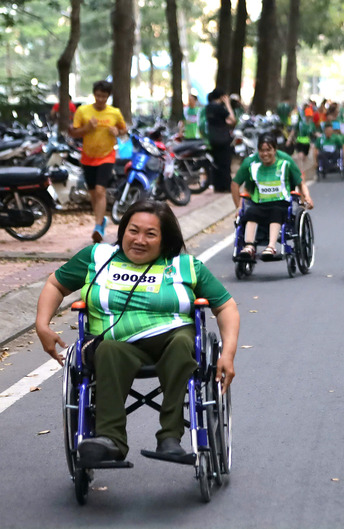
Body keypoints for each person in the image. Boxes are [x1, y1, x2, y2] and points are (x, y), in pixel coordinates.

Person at [35, 200, 240, 463]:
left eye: (150, 234)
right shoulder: (96, 256)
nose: (139, 240)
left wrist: (228, 353)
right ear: (123, 231)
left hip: (170, 337)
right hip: (113, 342)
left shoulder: (184, 266)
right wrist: (42, 325)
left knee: (181, 343)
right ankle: (110, 440)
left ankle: (170, 438)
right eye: (133, 231)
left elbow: (226, 307)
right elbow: (55, 284)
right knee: (107, 350)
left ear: (165, 240)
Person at [231, 133, 314, 260]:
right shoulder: (252, 164)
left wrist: (307, 197)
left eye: (268, 150)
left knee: (276, 212)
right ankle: (249, 246)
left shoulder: (285, 162)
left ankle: (271, 247)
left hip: (280, 202)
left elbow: (300, 182)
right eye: (262, 150)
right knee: (250, 213)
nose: (265, 154)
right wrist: (238, 206)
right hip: (260, 202)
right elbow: (238, 184)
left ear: (275, 150)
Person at [70, 80, 127, 243]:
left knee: (101, 191)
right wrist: (87, 128)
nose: (101, 99)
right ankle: (101, 221)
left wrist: (117, 131)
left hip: (107, 156)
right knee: (93, 194)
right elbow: (73, 133)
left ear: (108, 96)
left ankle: (97, 226)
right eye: (98, 95)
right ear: (94, 94)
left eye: (104, 96)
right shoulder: (83, 111)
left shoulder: (114, 112)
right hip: (88, 157)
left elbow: (124, 131)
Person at [205, 88, 237, 193]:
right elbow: (232, 120)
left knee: (216, 163)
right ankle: (227, 186)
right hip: (223, 139)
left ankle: (218, 186)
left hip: (213, 138)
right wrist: (228, 104)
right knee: (225, 163)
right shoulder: (220, 108)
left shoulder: (208, 107)